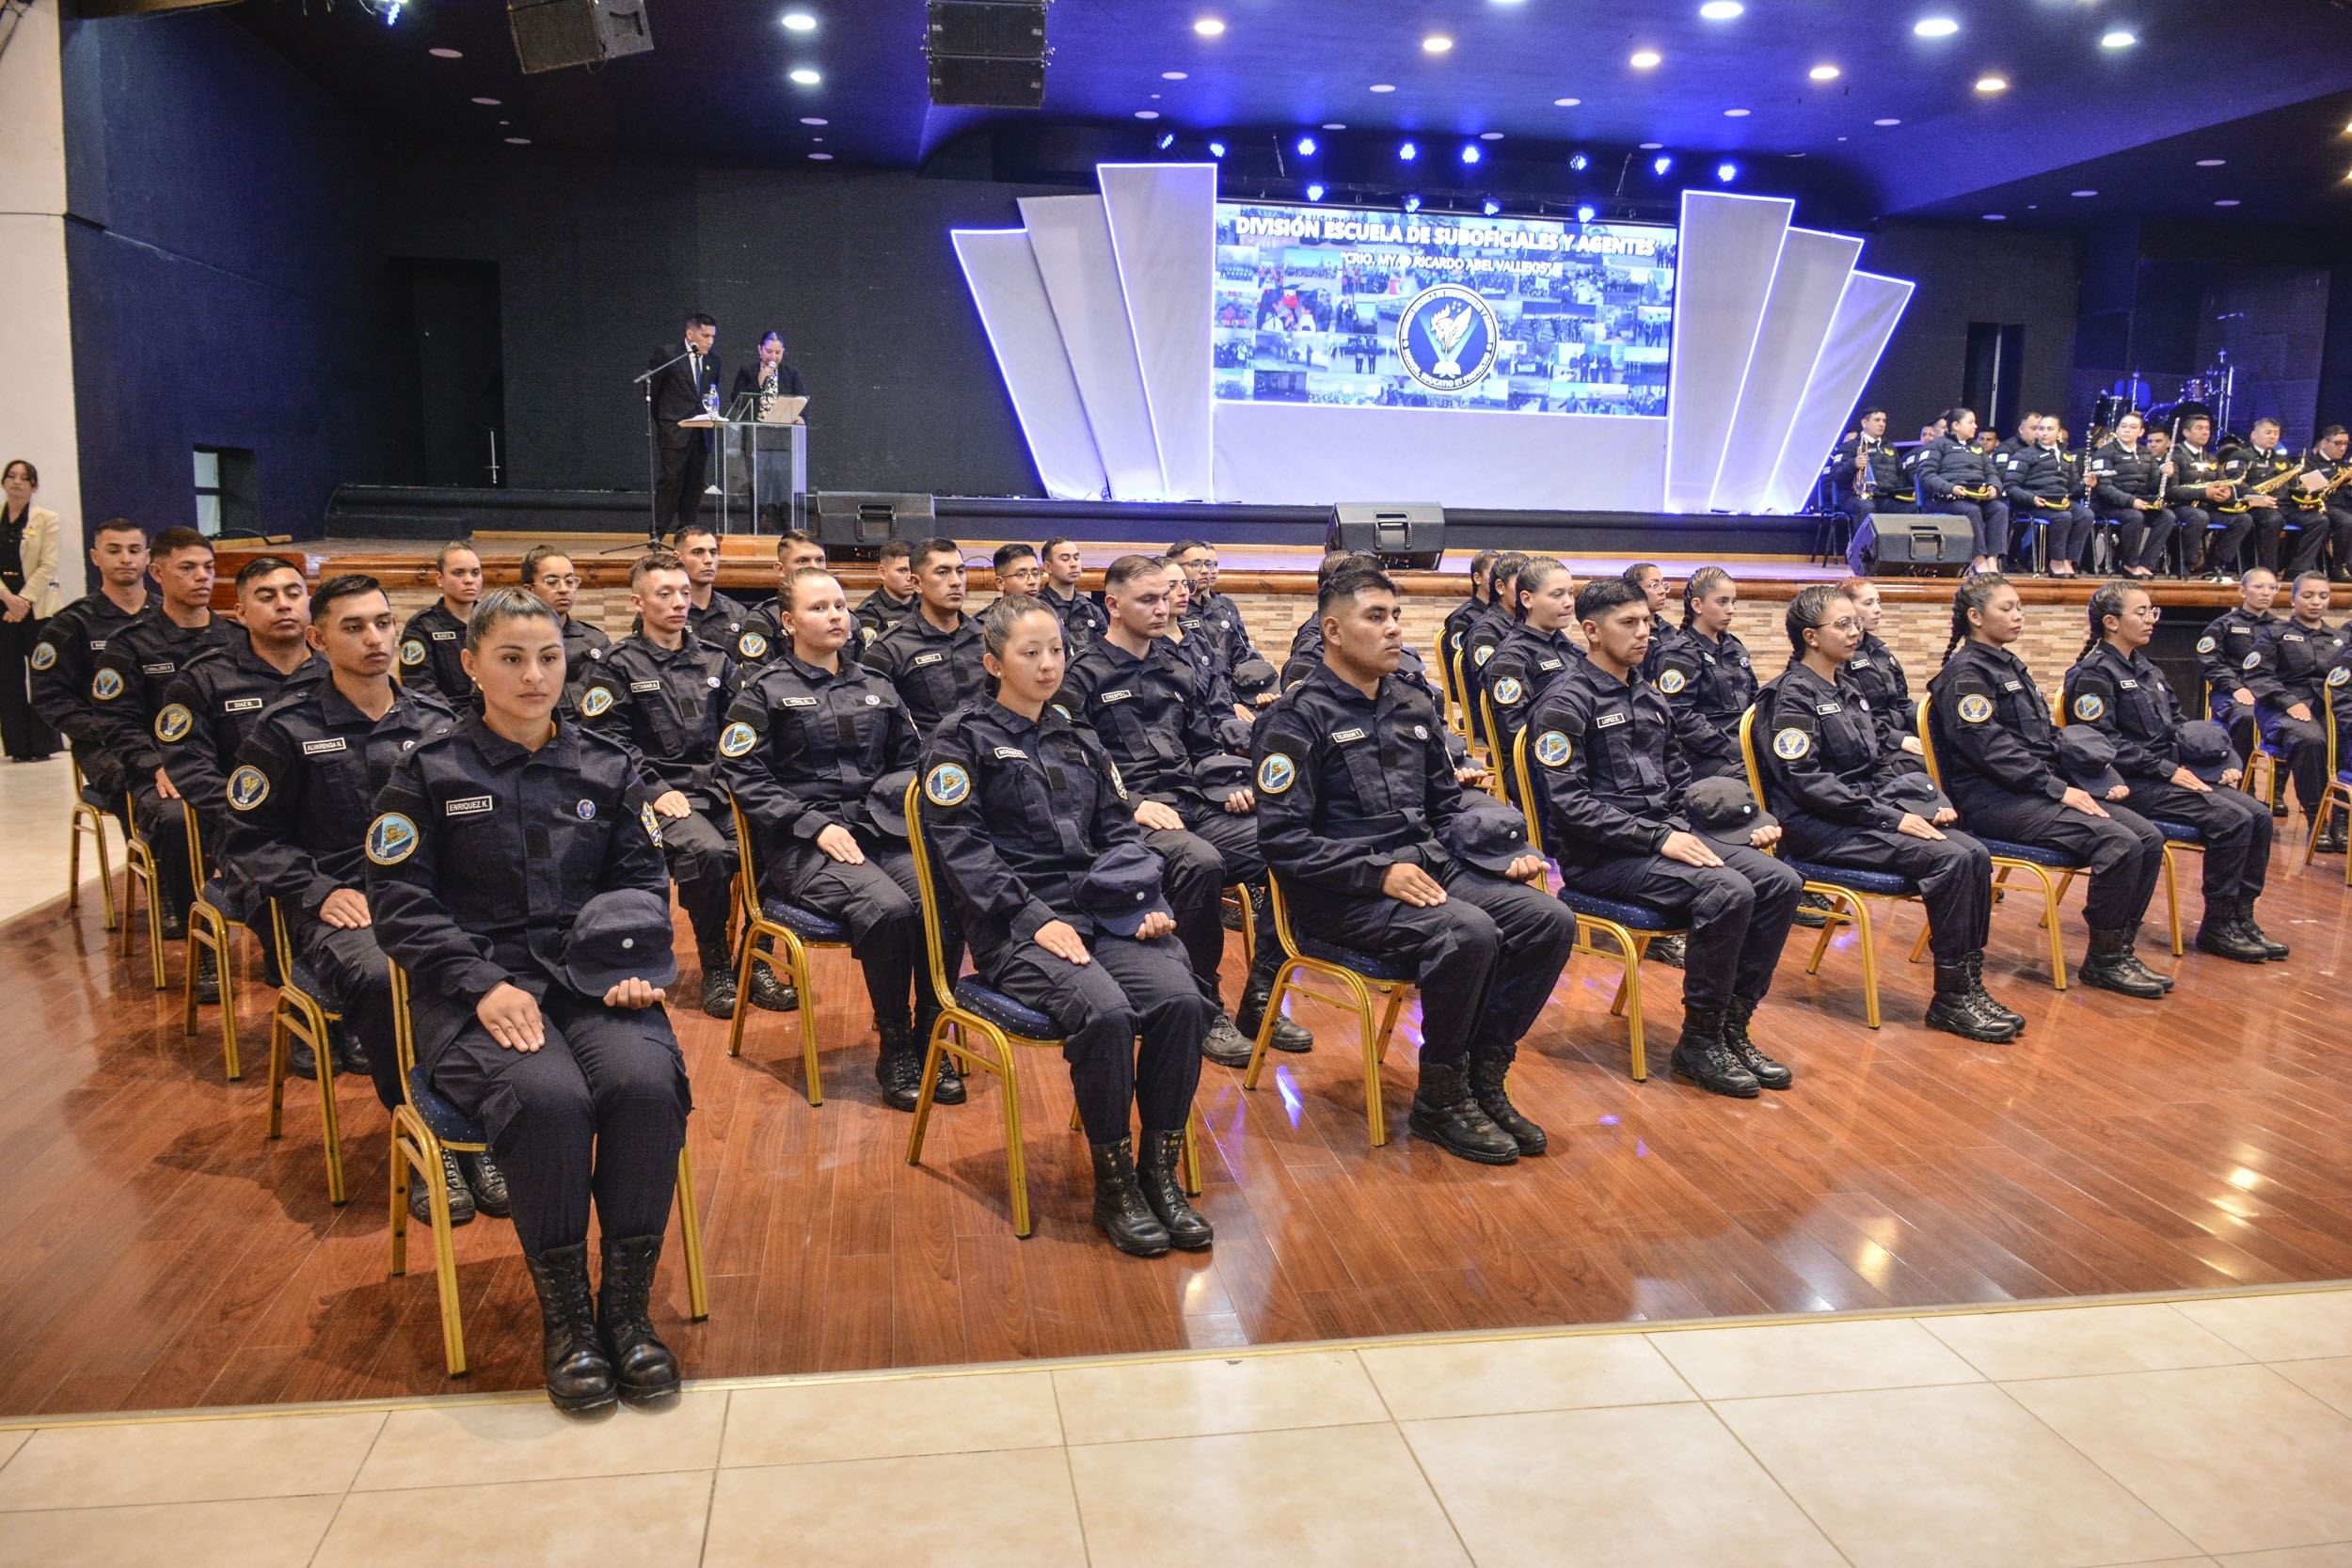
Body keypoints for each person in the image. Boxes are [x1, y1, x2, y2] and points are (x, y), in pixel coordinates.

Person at [369, 587, 692, 1415]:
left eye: (548, 656)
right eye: (511, 657)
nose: (534, 674)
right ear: (471, 664)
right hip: (473, 987)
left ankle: (625, 1310)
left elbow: (638, 880)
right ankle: (569, 1320)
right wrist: (481, 984)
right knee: (548, 1099)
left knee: (645, 1087)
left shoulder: (607, 765)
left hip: (593, 979)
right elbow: (401, 904)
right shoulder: (428, 770)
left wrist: (634, 957)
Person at [922, 595, 1215, 1256]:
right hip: (1016, 924)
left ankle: (1158, 1174)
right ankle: (1113, 1188)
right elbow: (963, 850)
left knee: (1181, 1000)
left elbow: (1117, 830)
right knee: (1106, 1013)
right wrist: (1032, 918)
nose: (1049, 663)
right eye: (1031, 653)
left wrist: (1144, 900)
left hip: (1102, 911)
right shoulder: (958, 739)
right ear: (994, 662)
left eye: (1056, 649)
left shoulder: (1078, 734)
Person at [1254, 565, 1574, 1162]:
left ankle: (1483, 1077)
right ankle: (1440, 1098)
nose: (1393, 629)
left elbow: (1447, 808)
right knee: (1468, 931)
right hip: (1343, 895)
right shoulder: (1294, 719)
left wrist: (1496, 854)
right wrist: (1377, 874)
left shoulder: (1412, 703)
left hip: (1427, 870)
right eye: (1375, 617)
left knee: (1546, 919)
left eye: (1395, 615)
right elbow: (1283, 842)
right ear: (1332, 630)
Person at [221, 576, 486, 1220]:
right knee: (382, 973)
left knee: (490, 954)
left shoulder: (436, 721)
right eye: (354, 626)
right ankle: (425, 1141)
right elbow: (246, 838)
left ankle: (477, 1130)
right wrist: (319, 890)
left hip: (422, 897)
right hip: (339, 905)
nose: (375, 638)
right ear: (317, 638)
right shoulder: (284, 729)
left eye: (383, 622)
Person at [1526, 577, 1803, 1098]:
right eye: (1627, 624)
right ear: (1590, 631)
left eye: (1647, 622)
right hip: (1602, 857)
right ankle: (1699, 1040)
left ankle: (1731, 1027)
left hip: (1665, 838)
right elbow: (1569, 806)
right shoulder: (1563, 704)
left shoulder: (1651, 696)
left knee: (1780, 879)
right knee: (1729, 890)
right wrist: (1658, 840)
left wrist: (1736, 827)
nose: (1644, 634)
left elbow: (1681, 784)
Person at [1057, 555, 1313, 1067]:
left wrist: (1231, 786)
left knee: (1292, 844)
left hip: (1192, 803)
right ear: (1113, 605)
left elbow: (1203, 749)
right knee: (1199, 863)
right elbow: (1070, 768)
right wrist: (1131, 804)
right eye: (1146, 600)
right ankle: (1203, 1004)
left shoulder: (1177, 667)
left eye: (1163, 598)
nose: (1161, 608)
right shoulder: (1080, 678)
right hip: (1127, 818)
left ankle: (1261, 996)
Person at [721, 566, 955, 1110]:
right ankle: (894, 1042)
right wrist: (815, 825)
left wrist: (889, 805)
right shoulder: (764, 691)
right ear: (788, 621)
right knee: (890, 909)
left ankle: (932, 1036)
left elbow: (910, 763)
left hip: (875, 832)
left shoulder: (877, 686)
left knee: (938, 901)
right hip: (802, 844)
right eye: (818, 607)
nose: (834, 616)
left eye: (840, 606)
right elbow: (742, 775)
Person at [1756, 585, 2020, 1040]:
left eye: (1854, 622)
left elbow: (1878, 762)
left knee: (1974, 853)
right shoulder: (1789, 697)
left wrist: (1916, 803)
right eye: (1842, 624)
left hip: (1864, 814)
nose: (1855, 630)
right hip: (1819, 826)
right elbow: (1807, 783)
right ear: (1810, 637)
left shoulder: (1849, 687)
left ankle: (1967, 984)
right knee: (1950, 859)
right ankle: (1951, 999)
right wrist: (1889, 817)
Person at [1927, 574, 2172, 997]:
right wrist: (2057, 789)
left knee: (2147, 836)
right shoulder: (1966, 675)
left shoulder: (2007, 664)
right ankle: (2105, 960)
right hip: (1992, 799)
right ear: (1975, 617)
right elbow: (1991, 751)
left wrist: (2096, 779)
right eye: (2007, 608)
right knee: (2119, 843)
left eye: (2020, 607)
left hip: (2034, 790)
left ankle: (2118, 947)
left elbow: (2047, 739)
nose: (2019, 616)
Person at [579, 551, 773, 1019]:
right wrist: (652, 789)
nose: (678, 602)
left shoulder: (716, 659)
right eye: (664, 594)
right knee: (704, 854)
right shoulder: (617, 664)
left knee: (769, 842)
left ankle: (757, 956)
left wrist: (740, 781)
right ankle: (717, 964)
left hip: (720, 787)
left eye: (684, 592)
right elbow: (606, 741)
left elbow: (742, 731)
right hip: (662, 793)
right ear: (638, 601)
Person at [2064, 581, 2282, 963]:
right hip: (2126, 782)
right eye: (2142, 612)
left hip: (2164, 774)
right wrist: (2168, 770)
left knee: (2259, 814)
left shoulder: (2147, 668)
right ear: (2112, 622)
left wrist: (2216, 765)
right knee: (2231, 818)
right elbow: (2103, 744)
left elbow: (2180, 726)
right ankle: (2217, 925)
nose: (2151, 620)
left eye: (2153, 611)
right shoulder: (2094, 674)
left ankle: (2239, 916)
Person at [156, 556, 326, 1003]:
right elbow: (189, 766)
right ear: (240, 613)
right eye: (266, 597)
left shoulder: (338, 673)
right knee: (285, 886)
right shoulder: (206, 678)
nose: (284, 605)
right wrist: (246, 817)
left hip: (335, 831)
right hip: (246, 837)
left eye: (293, 593)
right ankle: (308, 1004)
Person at [89, 527, 233, 939]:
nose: (202, 577)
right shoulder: (130, 645)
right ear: (157, 573)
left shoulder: (235, 638)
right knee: (176, 819)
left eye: (208, 567)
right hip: (161, 772)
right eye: (187, 568)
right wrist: (157, 765)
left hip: (226, 767)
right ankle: (198, 932)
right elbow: (116, 721)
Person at [30, 517, 152, 800]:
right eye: (114, 550)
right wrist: (111, 731)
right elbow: (50, 696)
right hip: (103, 746)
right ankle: (146, 846)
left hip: (168, 738)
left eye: (134, 550)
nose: (125, 559)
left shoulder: (169, 618)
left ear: (147, 558)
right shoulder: (71, 625)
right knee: (140, 785)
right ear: (95, 557)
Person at [2243, 571, 2344, 850]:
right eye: (2308, 595)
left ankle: (2342, 819)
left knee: (2348, 737)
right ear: (2292, 599)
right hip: (2282, 708)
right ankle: (2317, 818)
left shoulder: (2339, 639)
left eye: (2323, 596)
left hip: (2328, 708)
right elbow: (2258, 676)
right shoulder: (2274, 634)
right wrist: (2289, 702)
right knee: (2310, 740)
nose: (2316, 602)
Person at [1479, 556, 1581, 795]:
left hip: (1574, 758)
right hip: (1536, 771)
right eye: (1557, 595)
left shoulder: (1571, 649)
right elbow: (1520, 734)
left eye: (1571, 593)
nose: (1568, 603)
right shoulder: (1510, 659)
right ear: (1527, 599)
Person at [865, 538, 985, 737]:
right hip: (927, 757)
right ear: (916, 583)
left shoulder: (987, 637)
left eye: (961, 571)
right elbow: (874, 722)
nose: (956, 581)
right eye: (943, 572)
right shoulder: (890, 648)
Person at [1652, 566, 1756, 782]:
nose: (1731, 610)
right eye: (1722, 602)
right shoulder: (1680, 654)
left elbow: (1756, 701)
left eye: (1733, 602)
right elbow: (1679, 716)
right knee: (1759, 777)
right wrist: (1733, 747)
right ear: (1697, 605)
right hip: (1703, 757)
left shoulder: (1734, 647)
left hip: (1742, 745)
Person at [0, 459, 61, 760]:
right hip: (3, 607)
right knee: (7, 677)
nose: (16, 482)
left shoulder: (46, 518)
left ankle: (42, 744)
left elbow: (47, 566)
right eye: (11, 476)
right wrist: (8, 599)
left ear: (34, 486)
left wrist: (22, 601)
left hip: (36, 608)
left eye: (24, 478)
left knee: (41, 675)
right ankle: (17, 746)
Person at [2196, 567, 2281, 767]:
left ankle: (2277, 784)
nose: (2266, 592)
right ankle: (2242, 777)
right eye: (2259, 587)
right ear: (2243, 591)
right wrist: (2236, 687)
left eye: (2272, 588)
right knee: (2247, 716)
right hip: (2230, 693)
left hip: (2268, 693)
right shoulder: (2223, 625)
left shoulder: (2281, 628)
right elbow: (2211, 663)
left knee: (2291, 721)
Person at [1916, 407, 2011, 577]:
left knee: (2000, 508)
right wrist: (1950, 487)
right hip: (1945, 499)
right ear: (1956, 425)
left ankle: (1993, 559)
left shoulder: (1978, 448)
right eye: (1970, 422)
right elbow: (1926, 476)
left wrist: (1994, 487)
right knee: (1971, 511)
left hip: (1976, 496)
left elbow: (1991, 473)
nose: (1975, 426)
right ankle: (1978, 559)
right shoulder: (1936, 445)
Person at [650, 311, 721, 537]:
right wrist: (666, 421)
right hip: (675, 429)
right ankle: (658, 531)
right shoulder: (670, 355)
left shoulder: (713, 361)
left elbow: (711, 393)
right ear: (690, 333)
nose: (709, 341)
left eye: (712, 336)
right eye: (705, 335)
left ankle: (687, 531)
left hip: (700, 433)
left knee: (694, 483)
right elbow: (654, 390)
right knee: (670, 481)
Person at [1836, 577, 1922, 760]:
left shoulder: (1880, 651)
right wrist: (1896, 739)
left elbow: (1902, 702)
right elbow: (1849, 714)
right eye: (1868, 603)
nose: (1878, 609)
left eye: (1878, 602)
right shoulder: (1838, 657)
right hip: (1872, 744)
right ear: (1847, 609)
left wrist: (1930, 724)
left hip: (1900, 733)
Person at [2004, 414, 2096, 577]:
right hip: (2033, 503)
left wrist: (2086, 485)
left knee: (2086, 514)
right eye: (2041, 429)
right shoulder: (2024, 455)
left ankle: (2069, 560)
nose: (2044, 433)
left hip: (2060, 501)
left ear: (2059, 432)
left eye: (2049, 429)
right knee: (2063, 517)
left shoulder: (2066, 455)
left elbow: (2073, 487)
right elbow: (2011, 486)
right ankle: (2055, 562)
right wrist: (2031, 498)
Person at [2088, 413, 2176, 580]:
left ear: (2141, 432)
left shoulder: (2145, 453)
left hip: (2138, 501)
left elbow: (2152, 485)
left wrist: (2165, 475)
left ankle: (2147, 564)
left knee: (2167, 516)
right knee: (2134, 517)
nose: (2127, 430)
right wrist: (2131, 501)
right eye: (2123, 426)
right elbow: (2104, 488)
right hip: (2108, 504)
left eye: (2132, 427)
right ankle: (2129, 564)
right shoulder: (2105, 453)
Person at [519, 546, 612, 707]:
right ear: (530, 590)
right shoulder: (515, 641)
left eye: (570, 581)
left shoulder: (596, 641)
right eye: (552, 582)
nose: (563, 589)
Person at [1168, 539, 1264, 690]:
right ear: (1175, 569)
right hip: (1202, 695)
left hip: (1233, 690)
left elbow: (1241, 655)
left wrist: (1257, 689)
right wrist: (1230, 702)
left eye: (1209, 564)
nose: (1206, 570)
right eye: (1196, 564)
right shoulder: (1170, 612)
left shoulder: (1224, 607)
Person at [398, 541, 483, 705]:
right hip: (445, 717)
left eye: (475, 573)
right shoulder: (422, 626)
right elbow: (419, 686)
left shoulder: (495, 620)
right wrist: (456, 720)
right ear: (439, 579)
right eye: (459, 573)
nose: (469, 580)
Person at [730, 530, 828, 671]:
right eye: (803, 561)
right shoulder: (763, 619)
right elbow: (757, 681)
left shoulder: (845, 618)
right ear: (780, 569)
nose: (814, 568)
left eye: (820, 560)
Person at [1834, 408, 1913, 577]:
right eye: (1877, 420)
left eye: (1884, 420)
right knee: (1867, 508)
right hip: (1854, 497)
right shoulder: (1850, 447)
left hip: (1886, 496)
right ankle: (1863, 557)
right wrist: (1853, 465)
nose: (1882, 424)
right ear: (1864, 423)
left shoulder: (1889, 447)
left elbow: (1900, 476)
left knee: (1911, 508)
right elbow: (1836, 475)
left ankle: (1901, 559)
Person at [2217, 418, 2295, 578]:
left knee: (2318, 520)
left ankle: (2297, 570)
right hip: (2254, 506)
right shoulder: (2240, 455)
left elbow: (2294, 486)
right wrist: (2260, 498)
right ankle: (2268, 573)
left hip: (2283, 505)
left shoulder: (2283, 460)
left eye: (2276, 433)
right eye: (2268, 432)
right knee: (2273, 520)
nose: (2272, 437)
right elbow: (2235, 483)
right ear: (2254, 435)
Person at [2167, 415, 2235, 580]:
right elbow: (2171, 491)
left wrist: (2226, 493)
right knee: (2199, 517)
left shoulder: (2212, 458)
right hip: (2181, 506)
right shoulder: (2174, 456)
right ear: (2186, 432)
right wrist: (2204, 493)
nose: (2205, 432)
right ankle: (2184, 562)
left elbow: (2223, 482)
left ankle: (2215, 563)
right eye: (2199, 428)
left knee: (2243, 520)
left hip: (2208, 506)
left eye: (2207, 429)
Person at [668, 523, 749, 654]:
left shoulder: (737, 613)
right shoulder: (663, 611)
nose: (708, 560)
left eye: (713, 552)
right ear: (678, 558)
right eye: (698, 552)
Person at [2285, 425, 2351, 579]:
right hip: (2322, 504)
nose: (2342, 448)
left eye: (2346, 444)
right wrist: (2343, 477)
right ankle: (2341, 567)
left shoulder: (2345, 464)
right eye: (2338, 443)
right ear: (2324, 443)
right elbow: (2311, 486)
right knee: (2348, 522)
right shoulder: (2309, 462)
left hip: (2345, 504)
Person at [1440, 549, 1501, 707]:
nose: (1500, 580)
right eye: (1494, 574)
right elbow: (1463, 672)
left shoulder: (1507, 615)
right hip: (1479, 701)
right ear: (1477, 578)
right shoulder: (1463, 619)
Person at [1039, 537, 1107, 655]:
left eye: (1076, 558)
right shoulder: (1038, 608)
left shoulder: (1092, 608)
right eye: (1065, 559)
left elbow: (1106, 651)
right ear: (1048, 567)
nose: (1074, 564)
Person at [855, 540, 919, 651]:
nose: (910, 577)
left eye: (914, 570)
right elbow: (872, 659)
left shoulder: (928, 604)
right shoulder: (868, 612)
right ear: (882, 572)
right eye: (902, 570)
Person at [727, 329, 806, 412]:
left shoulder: (792, 374)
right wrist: (759, 382)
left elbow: (802, 401)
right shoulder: (747, 371)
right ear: (760, 349)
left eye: (778, 353)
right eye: (769, 351)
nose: (773, 357)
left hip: (782, 424)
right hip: (753, 423)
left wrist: (800, 417)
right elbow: (737, 402)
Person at [1623, 562, 1674, 684]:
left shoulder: (1670, 630)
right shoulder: (1630, 632)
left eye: (1663, 584)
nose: (1662, 591)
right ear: (1634, 590)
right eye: (1654, 585)